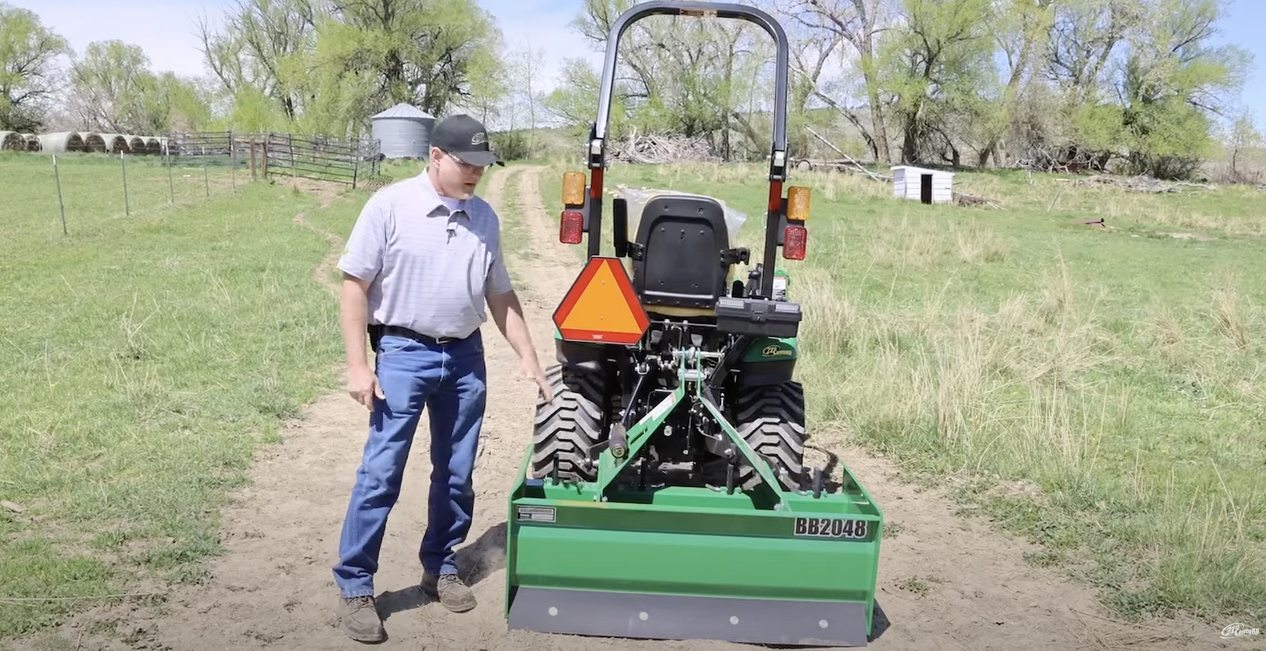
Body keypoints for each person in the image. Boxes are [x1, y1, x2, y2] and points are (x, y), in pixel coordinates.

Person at [330, 114, 552, 643]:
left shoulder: (485, 218)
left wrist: (528, 355)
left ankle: (440, 566)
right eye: (467, 162)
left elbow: (500, 294)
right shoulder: (390, 206)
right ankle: (356, 583)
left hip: (464, 358)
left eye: (483, 165)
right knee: (382, 472)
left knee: (456, 473)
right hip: (404, 353)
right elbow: (354, 286)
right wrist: (359, 364)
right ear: (435, 156)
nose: (477, 173)